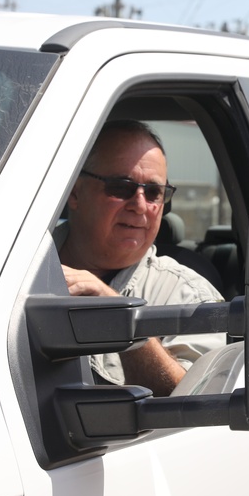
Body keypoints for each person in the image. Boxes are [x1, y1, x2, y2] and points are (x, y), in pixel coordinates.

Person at [56, 119, 224, 396]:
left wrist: (119, 317)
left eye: (155, 192)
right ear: (75, 192)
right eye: (121, 187)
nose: (140, 205)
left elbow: (192, 409)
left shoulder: (188, 297)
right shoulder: (13, 270)